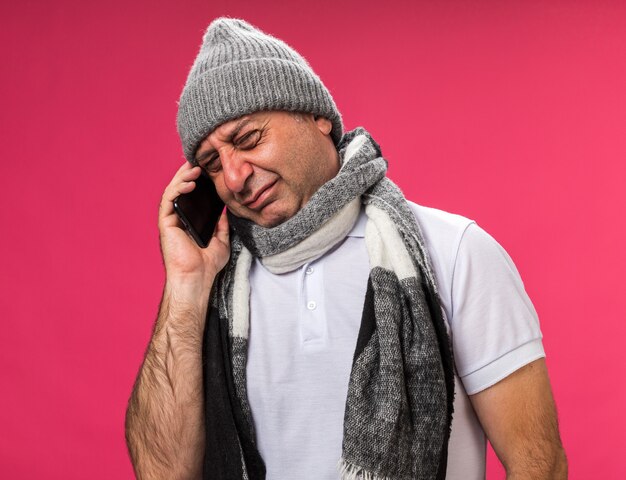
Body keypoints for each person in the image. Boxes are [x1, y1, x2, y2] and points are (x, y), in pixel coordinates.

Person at [125, 18, 567, 480]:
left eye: (248, 139)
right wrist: (185, 285)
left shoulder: (454, 252)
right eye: (213, 164)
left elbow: (540, 465)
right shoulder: (210, 293)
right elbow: (162, 473)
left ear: (316, 117)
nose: (235, 177)